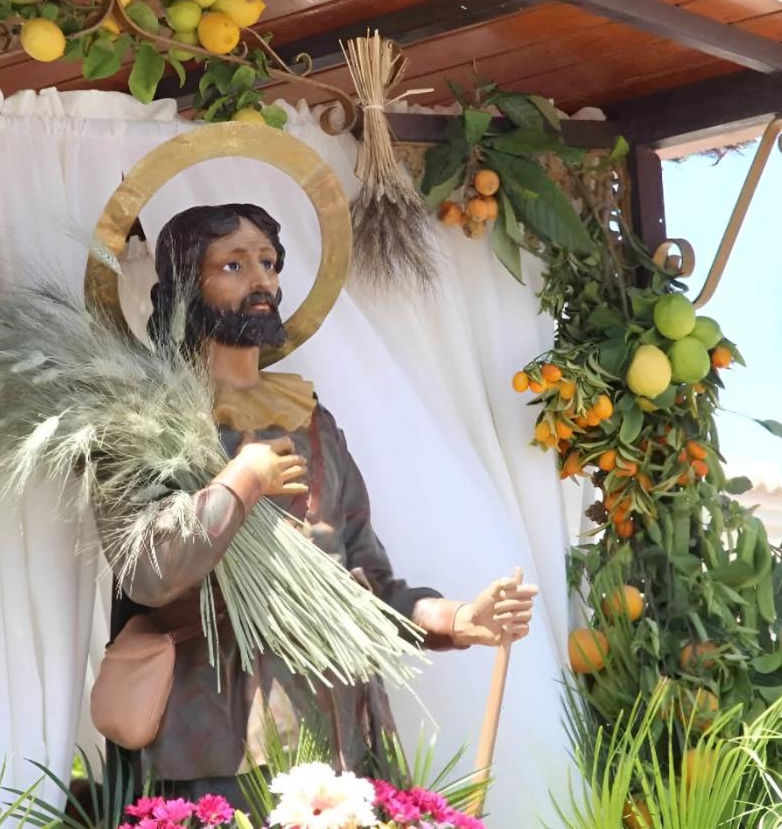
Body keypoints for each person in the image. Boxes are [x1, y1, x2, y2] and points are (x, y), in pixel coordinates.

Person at [111, 203, 538, 805]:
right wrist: (240, 484)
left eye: (268, 262)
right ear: (185, 285)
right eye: (232, 265)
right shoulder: (142, 421)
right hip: (221, 747)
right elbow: (147, 570)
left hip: (343, 735)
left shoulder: (313, 423)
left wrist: (457, 619)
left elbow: (364, 579)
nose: (261, 281)